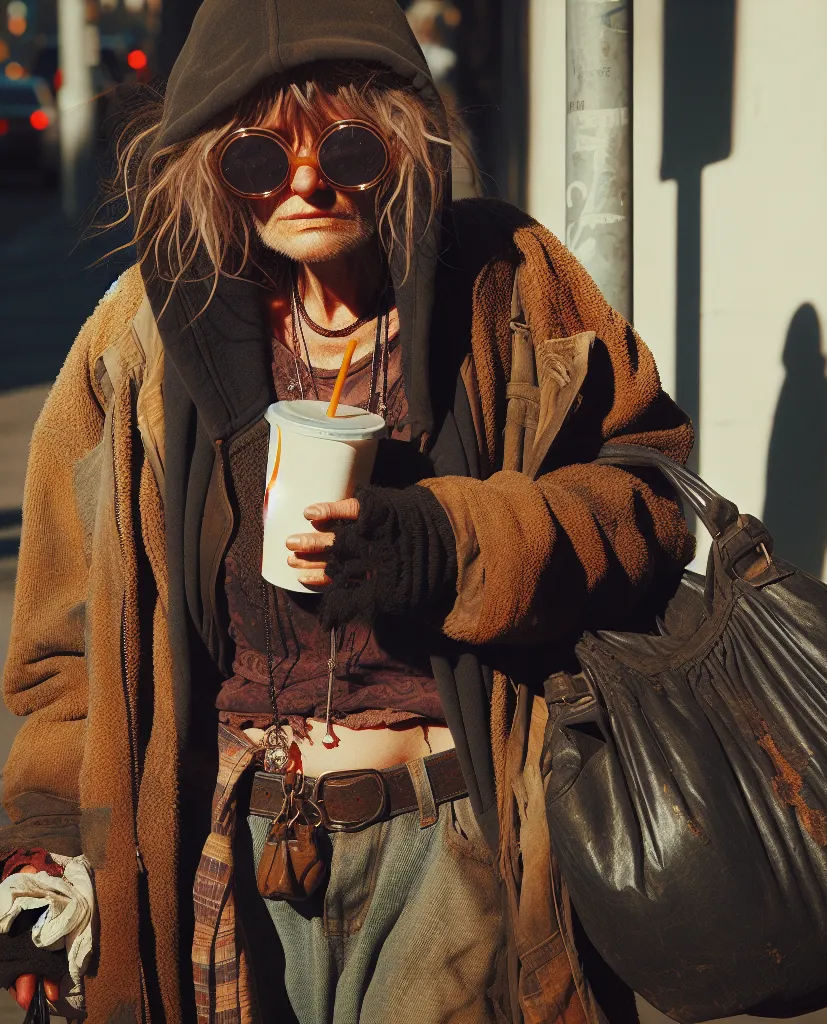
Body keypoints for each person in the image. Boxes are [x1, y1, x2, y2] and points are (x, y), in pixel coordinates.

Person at [0, 0, 694, 1020]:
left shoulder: (507, 285)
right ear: (206, 166)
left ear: (405, 141)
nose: (306, 182)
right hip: (226, 854)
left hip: (464, 837)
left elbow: (647, 498)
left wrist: (451, 543)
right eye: (256, 160)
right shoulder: (138, 343)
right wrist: (46, 858)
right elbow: (70, 653)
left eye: (347, 146)